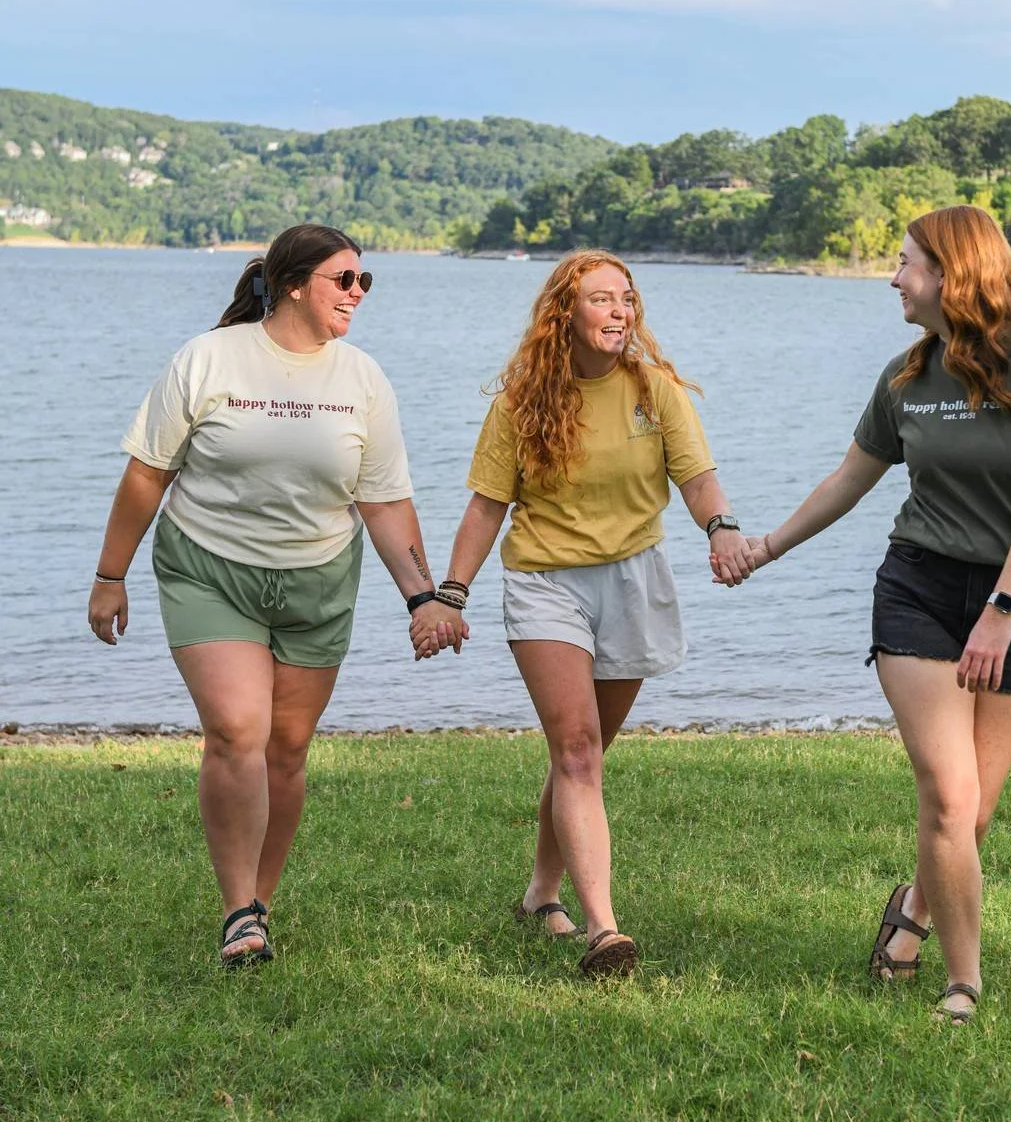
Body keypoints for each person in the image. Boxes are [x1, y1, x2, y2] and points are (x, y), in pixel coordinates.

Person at [740, 206, 1011, 1023]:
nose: (892, 277)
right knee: (946, 795)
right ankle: (962, 983)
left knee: (974, 812)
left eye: (904, 263)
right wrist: (767, 548)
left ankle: (916, 904)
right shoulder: (907, 374)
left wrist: (1003, 609)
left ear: (950, 272)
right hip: (920, 589)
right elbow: (849, 479)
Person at [87, 223, 460, 968]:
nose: (358, 294)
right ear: (293, 285)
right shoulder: (208, 358)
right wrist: (109, 575)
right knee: (237, 730)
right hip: (208, 569)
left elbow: (384, 503)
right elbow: (147, 475)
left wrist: (424, 598)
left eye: (365, 282)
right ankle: (236, 912)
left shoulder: (362, 379)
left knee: (286, 751)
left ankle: (259, 903)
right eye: (344, 280)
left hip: (317, 578)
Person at [433, 250, 754, 976]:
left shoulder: (655, 389)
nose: (620, 312)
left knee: (583, 752)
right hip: (546, 580)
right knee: (576, 750)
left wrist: (722, 528)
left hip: (635, 577)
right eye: (603, 299)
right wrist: (450, 595)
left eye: (628, 299)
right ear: (565, 315)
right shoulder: (522, 402)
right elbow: (487, 507)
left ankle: (541, 893)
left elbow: (698, 479)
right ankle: (603, 930)